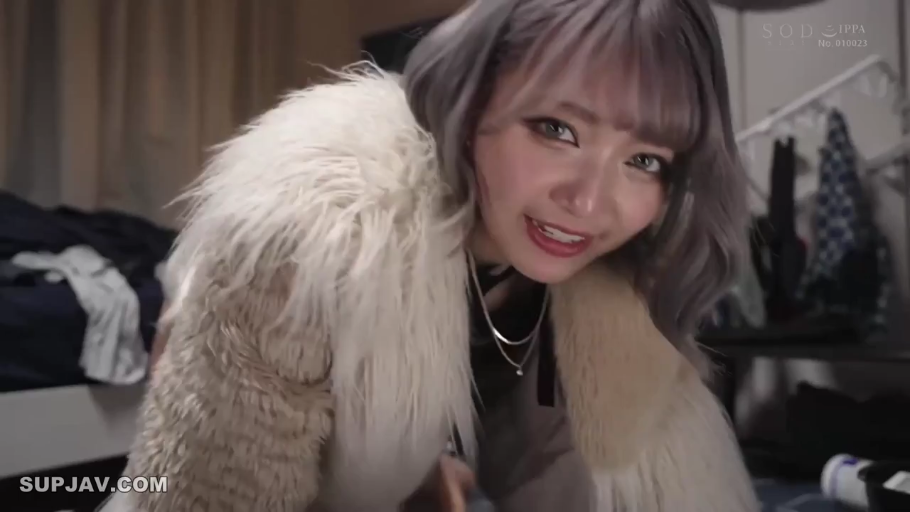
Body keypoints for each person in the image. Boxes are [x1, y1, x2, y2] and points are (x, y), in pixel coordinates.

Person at [102, 0, 761, 510]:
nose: (589, 203)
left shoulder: (599, 282)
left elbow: (594, 474)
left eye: (644, 161)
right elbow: (204, 494)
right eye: (556, 129)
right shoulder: (309, 243)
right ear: (471, 100)